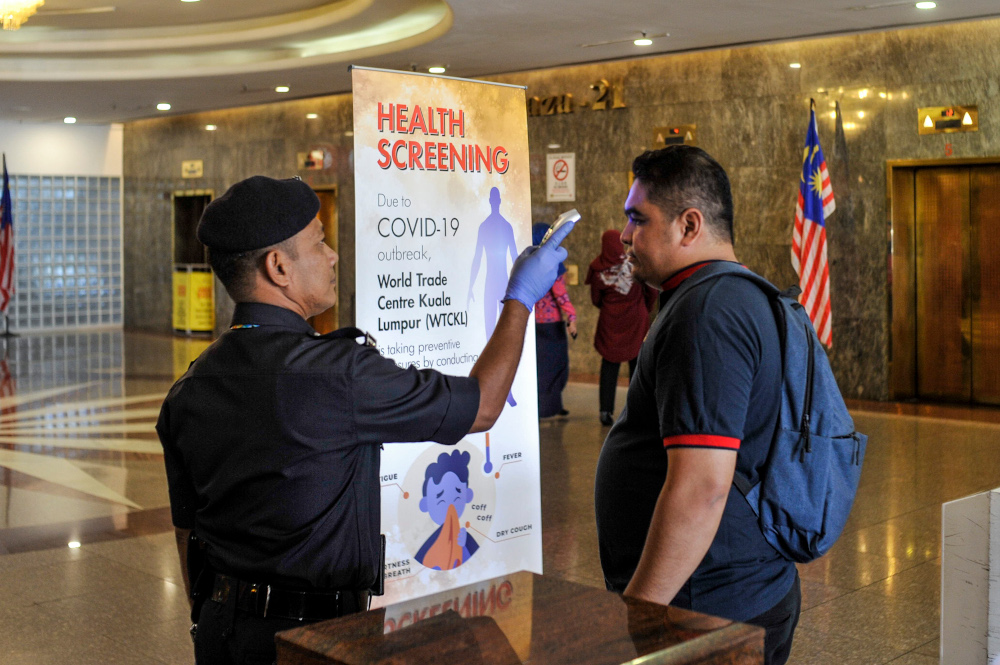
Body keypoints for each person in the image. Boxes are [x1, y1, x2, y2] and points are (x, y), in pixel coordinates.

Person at [156, 175, 574, 664]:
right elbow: (481, 406)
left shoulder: (189, 388)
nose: (333, 256)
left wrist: (208, 619)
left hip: (219, 631)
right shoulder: (337, 374)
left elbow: (187, 531)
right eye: (319, 243)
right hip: (312, 636)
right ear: (278, 267)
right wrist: (520, 299)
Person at [594, 146, 800, 665]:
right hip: (718, 594)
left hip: (707, 608)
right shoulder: (728, 293)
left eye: (638, 218)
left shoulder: (708, 312)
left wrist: (636, 615)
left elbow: (702, 488)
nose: (625, 234)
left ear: (689, 225)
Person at [585, 229, 657, 426]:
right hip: (636, 321)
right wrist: (644, 308)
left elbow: (595, 299)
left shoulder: (598, 269)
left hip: (610, 323)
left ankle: (605, 411)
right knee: (637, 367)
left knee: (609, 366)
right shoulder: (634, 263)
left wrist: (610, 307)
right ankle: (637, 410)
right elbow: (651, 291)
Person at [531, 222, 577, 418]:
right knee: (556, 366)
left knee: (541, 367)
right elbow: (560, 295)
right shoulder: (551, 262)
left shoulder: (528, 262)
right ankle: (548, 408)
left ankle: (549, 406)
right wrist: (572, 317)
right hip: (552, 325)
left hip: (534, 324)